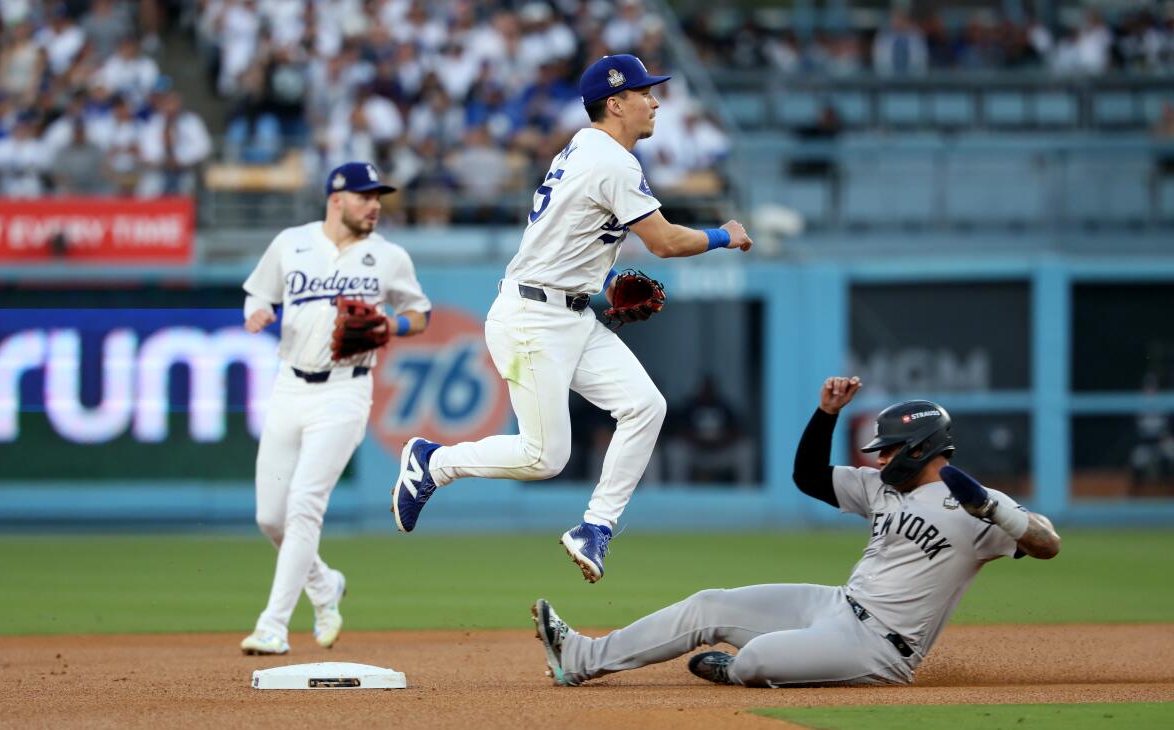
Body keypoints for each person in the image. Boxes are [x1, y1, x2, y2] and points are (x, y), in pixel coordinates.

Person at [390, 54, 752, 584]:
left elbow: (571, 236)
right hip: (532, 317)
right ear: (615, 102)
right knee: (544, 458)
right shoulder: (611, 161)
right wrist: (725, 234)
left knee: (645, 406)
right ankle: (433, 462)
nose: (654, 101)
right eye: (644, 92)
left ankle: (595, 529)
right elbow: (666, 242)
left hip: (571, 311)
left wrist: (603, 285)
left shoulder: (587, 147)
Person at [531, 375, 1062, 686]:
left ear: (922, 446)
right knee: (708, 604)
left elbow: (1047, 545)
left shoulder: (978, 507)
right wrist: (826, 414)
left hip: (881, 647)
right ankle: (580, 658)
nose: (879, 458)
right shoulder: (881, 487)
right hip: (833, 606)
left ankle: (744, 671)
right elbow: (807, 477)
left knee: (757, 658)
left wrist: (995, 510)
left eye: (890, 449)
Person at [238, 161, 432, 655]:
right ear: (336, 199)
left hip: (346, 391)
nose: (374, 205)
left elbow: (420, 312)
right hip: (289, 387)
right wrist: (256, 311)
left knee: (304, 504)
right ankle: (325, 586)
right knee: (270, 519)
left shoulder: (388, 256)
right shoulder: (291, 243)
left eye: (378, 197)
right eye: (365, 196)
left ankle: (273, 625)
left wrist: (396, 327)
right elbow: (258, 290)